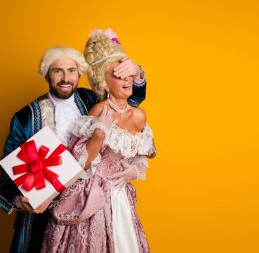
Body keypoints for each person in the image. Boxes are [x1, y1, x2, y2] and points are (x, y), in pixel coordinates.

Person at [0, 41, 147, 253]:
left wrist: (137, 72)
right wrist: (18, 200)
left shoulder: (92, 99)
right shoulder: (25, 117)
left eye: (71, 71)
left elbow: (129, 99)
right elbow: (9, 167)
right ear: (46, 75)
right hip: (41, 212)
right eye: (57, 71)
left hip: (85, 209)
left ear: (79, 74)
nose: (65, 78)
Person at [41, 29, 156, 253]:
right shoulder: (96, 111)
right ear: (103, 82)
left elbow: (144, 153)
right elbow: (78, 161)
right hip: (92, 197)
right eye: (118, 74)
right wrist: (99, 134)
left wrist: (135, 170)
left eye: (128, 74)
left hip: (121, 199)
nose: (126, 80)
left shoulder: (140, 115)